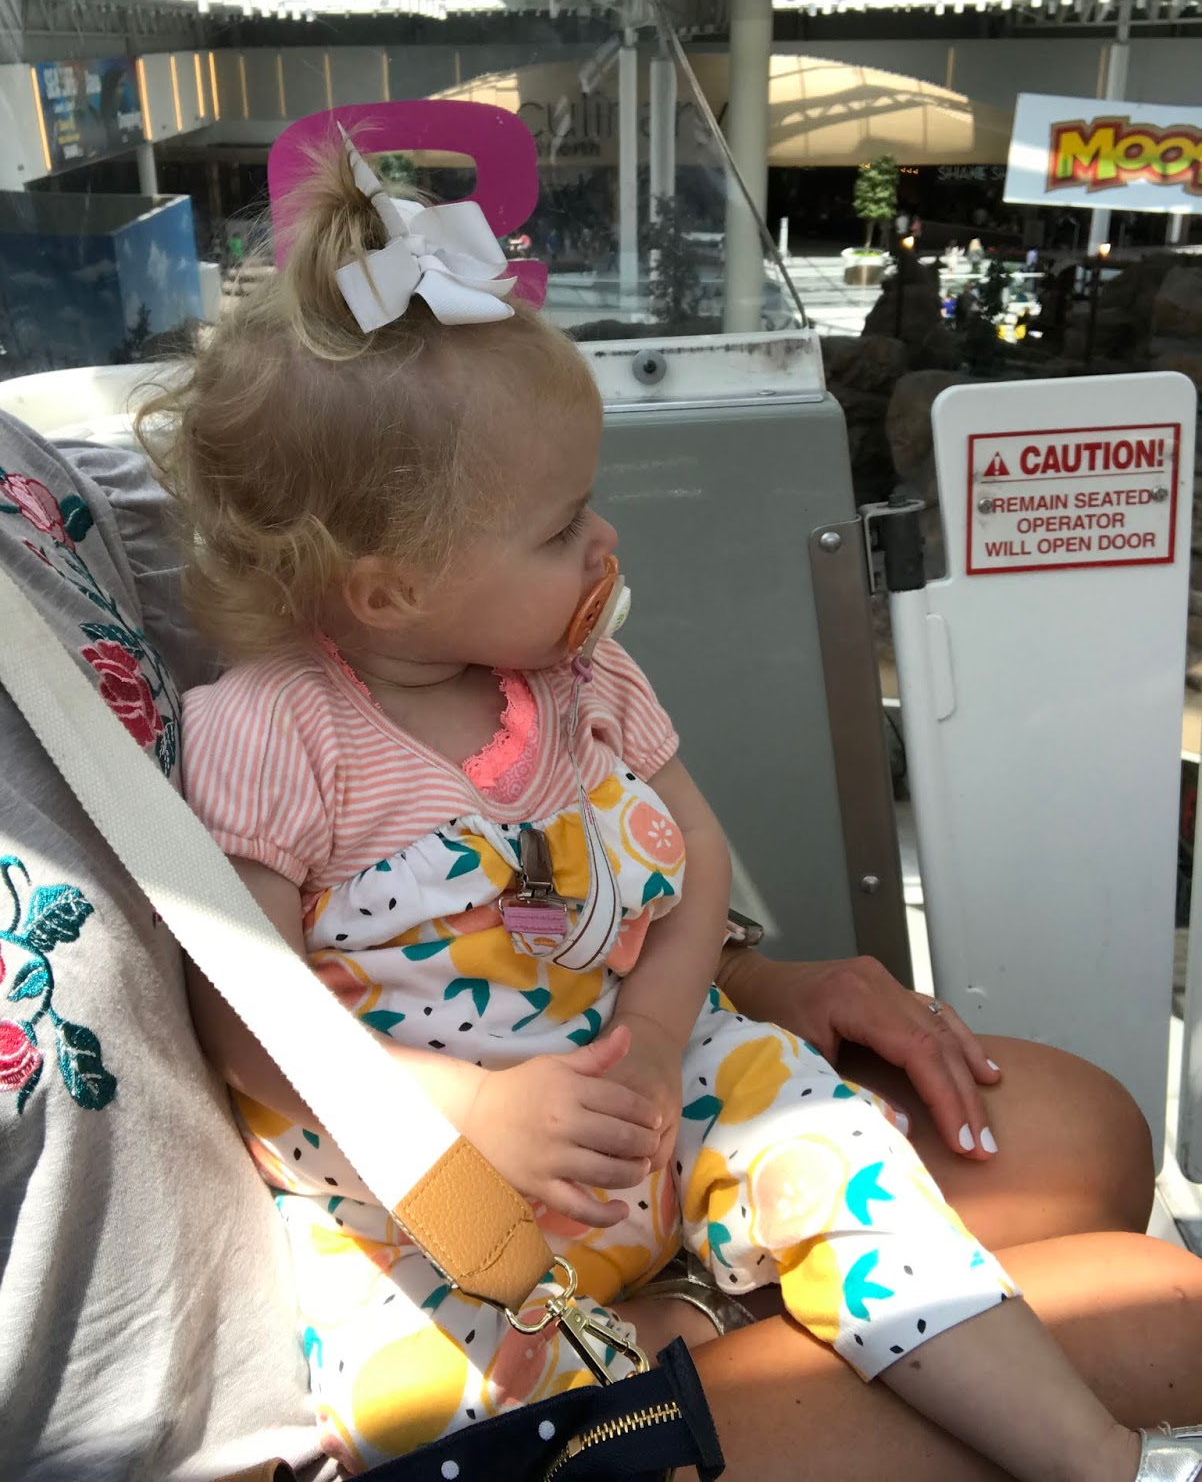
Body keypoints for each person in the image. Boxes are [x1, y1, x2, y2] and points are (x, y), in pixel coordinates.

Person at [132, 134, 1202, 1481]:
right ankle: (676, 1348)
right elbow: (242, 1006)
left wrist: (649, 1039)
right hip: (421, 1186)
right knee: (414, 1405)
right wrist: (459, 1116)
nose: (605, 544)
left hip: (650, 1091)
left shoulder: (586, 678)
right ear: (390, 586)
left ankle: (1096, 1457)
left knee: (828, 1150)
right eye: (560, 526)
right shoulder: (271, 732)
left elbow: (693, 854)